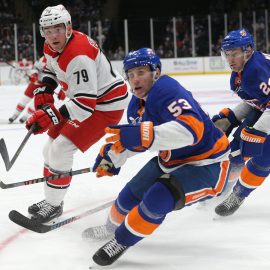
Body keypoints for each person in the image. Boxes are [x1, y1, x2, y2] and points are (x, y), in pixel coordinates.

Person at [82, 48, 231, 266]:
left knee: (157, 198)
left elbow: (193, 130)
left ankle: (121, 240)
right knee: (127, 197)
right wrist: (111, 158)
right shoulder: (136, 105)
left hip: (208, 164)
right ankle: (110, 229)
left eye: (141, 72)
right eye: (130, 74)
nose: (135, 79)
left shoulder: (167, 89)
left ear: (156, 72)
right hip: (170, 160)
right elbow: (135, 142)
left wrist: (145, 135)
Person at [25, 4, 129, 223]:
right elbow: (53, 70)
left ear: (68, 27)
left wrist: (51, 115)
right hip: (87, 100)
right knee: (49, 148)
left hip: (105, 106)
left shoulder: (78, 55)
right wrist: (46, 87)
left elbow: (85, 105)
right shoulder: (51, 45)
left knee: (61, 149)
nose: (53, 35)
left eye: (58, 29)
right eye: (48, 30)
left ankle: (53, 204)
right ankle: (52, 198)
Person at [212, 29, 270, 217]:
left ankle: (238, 194)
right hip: (265, 110)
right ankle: (222, 187)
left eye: (234, 53)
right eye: (227, 54)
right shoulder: (240, 73)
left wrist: (259, 131)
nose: (230, 59)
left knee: (264, 155)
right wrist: (233, 117)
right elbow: (256, 100)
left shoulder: (257, 70)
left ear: (248, 51)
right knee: (236, 149)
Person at [8, 56, 66, 123]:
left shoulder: (60, 61)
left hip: (46, 86)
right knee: (25, 99)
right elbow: (35, 68)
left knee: (36, 102)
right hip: (35, 82)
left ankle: (26, 116)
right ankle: (15, 115)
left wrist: (63, 90)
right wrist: (34, 75)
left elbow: (62, 77)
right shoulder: (44, 58)